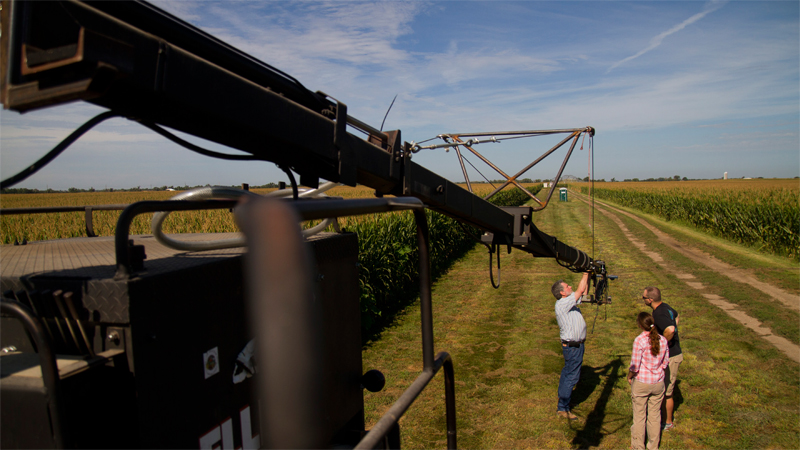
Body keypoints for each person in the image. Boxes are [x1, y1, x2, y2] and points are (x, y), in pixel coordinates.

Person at [642, 286, 682, 431]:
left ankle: (668, 422)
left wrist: (662, 343)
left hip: (672, 356)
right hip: (673, 354)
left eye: (644, 298)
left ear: (650, 299)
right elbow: (676, 316)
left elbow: (670, 329)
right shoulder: (665, 307)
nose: (643, 300)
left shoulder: (658, 314)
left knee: (667, 392)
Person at [551, 272, 590, 420]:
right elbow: (580, 291)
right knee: (571, 377)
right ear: (562, 292)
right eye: (567, 286)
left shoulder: (569, 301)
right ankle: (563, 408)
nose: (570, 286)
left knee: (569, 374)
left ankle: (563, 404)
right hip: (573, 347)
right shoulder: (562, 303)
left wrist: (589, 276)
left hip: (576, 346)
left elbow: (584, 292)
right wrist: (585, 272)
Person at [628, 312, 669, 450]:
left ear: (640, 325)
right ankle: (653, 446)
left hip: (641, 382)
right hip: (658, 383)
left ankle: (638, 446)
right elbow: (665, 363)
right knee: (654, 415)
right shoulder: (662, 340)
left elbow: (635, 365)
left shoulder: (639, 340)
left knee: (639, 416)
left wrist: (629, 376)